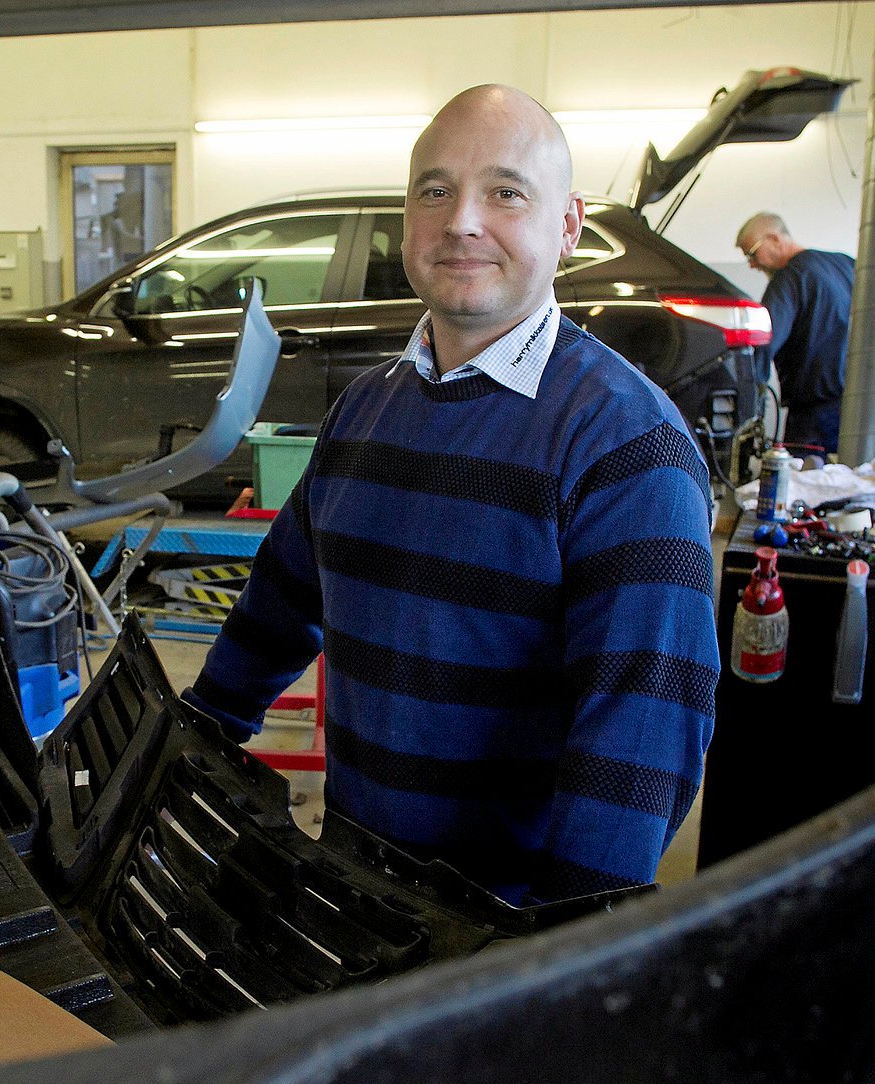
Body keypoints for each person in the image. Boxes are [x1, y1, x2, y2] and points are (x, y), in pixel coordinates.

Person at [184, 85, 719, 905]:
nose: (462, 220)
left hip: (498, 922)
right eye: (434, 191)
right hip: (358, 889)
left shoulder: (625, 443)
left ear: (568, 226)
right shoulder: (363, 409)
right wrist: (197, 735)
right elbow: (282, 601)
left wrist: (560, 947)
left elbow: (640, 732)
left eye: (506, 192)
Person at [735, 212, 856, 455]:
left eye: (752, 254)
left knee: (802, 474)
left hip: (813, 414)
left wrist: (749, 396)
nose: (752, 264)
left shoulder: (789, 278)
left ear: (774, 239)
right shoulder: (845, 264)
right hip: (853, 405)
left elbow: (765, 341)